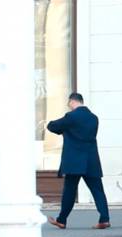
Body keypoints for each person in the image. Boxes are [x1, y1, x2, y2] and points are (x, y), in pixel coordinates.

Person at [46, 93, 110, 230]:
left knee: (69, 191)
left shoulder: (71, 116)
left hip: (74, 161)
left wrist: (62, 129)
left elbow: (53, 126)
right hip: (91, 159)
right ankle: (104, 218)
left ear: (71, 102)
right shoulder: (94, 118)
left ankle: (61, 220)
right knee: (98, 190)